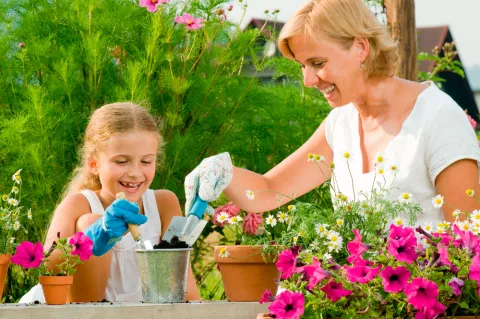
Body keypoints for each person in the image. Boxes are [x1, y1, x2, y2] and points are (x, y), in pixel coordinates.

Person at [184, 0, 480, 227]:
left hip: (429, 303)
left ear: (361, 47)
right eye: (302, 66)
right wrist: (222, 173)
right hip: (359, 302)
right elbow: (269, 190)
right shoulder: (341, 125)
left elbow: (466, 243)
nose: (308, 80)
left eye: (317, 62)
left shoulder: (437, 117)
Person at [20, 102, 200, 303]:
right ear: (94, 164)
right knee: (89, 221)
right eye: (122, 162)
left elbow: (185, 287)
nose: (134, 172)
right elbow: (46, 264)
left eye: (146, 161)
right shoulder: (78, 204)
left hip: (143, 313)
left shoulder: (164, 204)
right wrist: (91, 238)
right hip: (78, 313)